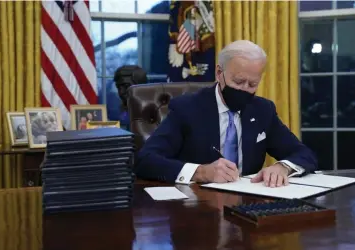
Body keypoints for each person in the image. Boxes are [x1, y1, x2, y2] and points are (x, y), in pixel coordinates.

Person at [135, 40, 317, 187]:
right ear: (219, 73)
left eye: (252, 84)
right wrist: (201, 172)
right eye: (238, 82)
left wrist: (283, 167)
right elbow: (145, 160)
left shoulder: (263, 110)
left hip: (248, 206)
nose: (245, 90)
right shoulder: (187, 109)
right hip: (197, 208)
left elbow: (303, 154)